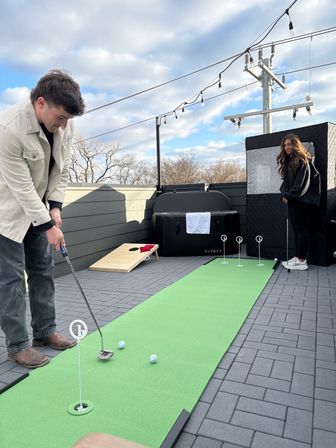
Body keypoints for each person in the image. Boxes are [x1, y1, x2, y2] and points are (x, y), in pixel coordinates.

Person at [0, 69, 85, 369]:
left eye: (67, 120)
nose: (63, 125)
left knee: (42, 272)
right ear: (40, 103)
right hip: (6, 213)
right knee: (10, 281)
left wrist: (56, 207)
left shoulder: (64, 125)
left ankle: (45, 332)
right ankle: (19, 346)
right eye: (60, 117)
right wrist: (47, 225)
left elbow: (61, 169)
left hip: (38, 207)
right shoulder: (8, 128)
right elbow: (20, 187)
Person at [276, 133, 321, 271]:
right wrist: (285, 194)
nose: (287, 147)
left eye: (289, 144)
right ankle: (298, 257)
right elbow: (285, 184)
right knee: (297, 230)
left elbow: (301, 185)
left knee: (302, 230)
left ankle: (302, 261)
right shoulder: (290, 162)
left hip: (302, 202)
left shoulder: (302, 161)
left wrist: (288, 195)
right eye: (285, 145)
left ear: (296, 145)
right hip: (295, 201)